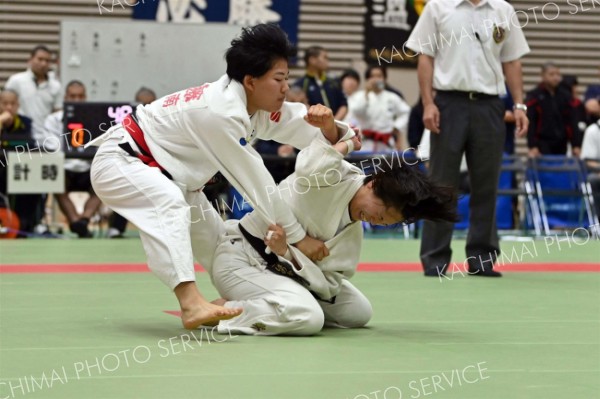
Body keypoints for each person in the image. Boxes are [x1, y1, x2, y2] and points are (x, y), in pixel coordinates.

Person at [88, 23, 355, 329]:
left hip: (175, 178)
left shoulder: (256, 105)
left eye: (287, 79)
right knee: (169, 203)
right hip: (122, 161)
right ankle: (190, 304)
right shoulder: (221, 111)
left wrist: (331, 128)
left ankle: (251, 302)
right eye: (279, 79)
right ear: (250, 81)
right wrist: (297, 238)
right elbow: (255, 181)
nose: (286, 88)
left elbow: (298, 124)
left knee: (221, 248)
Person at [207, 135, 457, 336]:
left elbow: (328, 286)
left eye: (383, 224)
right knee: (309, 317)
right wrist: (345, 142)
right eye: (380, 214)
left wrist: (288, 252)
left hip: (284, 272)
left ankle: (280, 303)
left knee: (358, 312)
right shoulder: (334, 176)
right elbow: (307, 165)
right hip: (242, 259)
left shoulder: (351, 234)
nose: (374, 222)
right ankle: (219, 311)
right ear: (373, 184)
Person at [406, 0, 530, 277]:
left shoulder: (502, 9)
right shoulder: (438, 7)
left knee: (487, 184)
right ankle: (435, 259)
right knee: (440, 184)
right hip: (449, 103)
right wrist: (428, 103)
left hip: (490, 106)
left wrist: (519, 105)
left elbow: (512, 60)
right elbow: (425, 57)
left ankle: (482, 258)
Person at [4, 45, 62, 235]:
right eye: (40, 59)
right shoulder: (16, 80)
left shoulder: (55, 86)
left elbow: (56, 114)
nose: (43, 63)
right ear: (30, 59)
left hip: (44, 141)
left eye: (47, 60)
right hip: (19, 139)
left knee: (41, 184)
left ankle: (36, 222)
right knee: (20, 181)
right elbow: (7, 103)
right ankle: (18, 222)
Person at [43, 81, 101, 238]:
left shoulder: (96, 118)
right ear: (66, 97)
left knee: (105, 181)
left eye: (81, 96)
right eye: (73, 96)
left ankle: (84, 219)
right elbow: (50, 146)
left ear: (85, 98)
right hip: (64, 167)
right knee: (55, 181)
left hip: (89, 167)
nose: (77, 100)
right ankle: (75, 221)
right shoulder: (53, 119)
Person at [107, 87, 158, 239]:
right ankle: (116, 228)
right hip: (133, 168)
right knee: (125, 186)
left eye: (150, 104)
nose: (146, 107)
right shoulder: (125, 125)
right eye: (143, 104)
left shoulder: (162, 124)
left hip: (158, 169)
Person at [347, 65, 411, 152]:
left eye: (379, 76)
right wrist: (366, 93)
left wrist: (396, 127)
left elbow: (406, 112)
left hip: (386, 143)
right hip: (365, 143)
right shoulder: (359, 96)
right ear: (367, 79)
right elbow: (356, 112)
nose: (376, 79)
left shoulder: (392, 97)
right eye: (372, 76)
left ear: (384, 79)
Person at [526, 63, 580, 157]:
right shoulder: (534, 96)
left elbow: (572, 121)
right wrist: (532, 145)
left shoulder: (566, 95)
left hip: (562, 142)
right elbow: (531, 123)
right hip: (542, 142)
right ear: (543, 76)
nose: (555, 77)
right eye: (551, 74)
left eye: (557, 74)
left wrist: (575, 145)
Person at [0, 90, 36, 231]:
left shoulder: (25, 122)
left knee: (34, 182)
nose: (9, 107)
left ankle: (25, 223)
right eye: (5, 103)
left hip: (19, 166)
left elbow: (29, 145)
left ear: (18, 105)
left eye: (13, 104)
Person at [294, 46, 348, 120]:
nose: (327, 61)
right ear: (312, 60)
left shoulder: (334, 81)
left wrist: (334, 122)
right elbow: (301, 108)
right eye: (325, 57)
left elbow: (343, 104)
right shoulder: (300, 85)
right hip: (314, 128)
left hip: (336, 125)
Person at [580, 118, 600, 218]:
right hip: (597, 172)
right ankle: (597, 220)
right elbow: (588, 161)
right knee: (593, 179)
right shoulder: (592, 131)